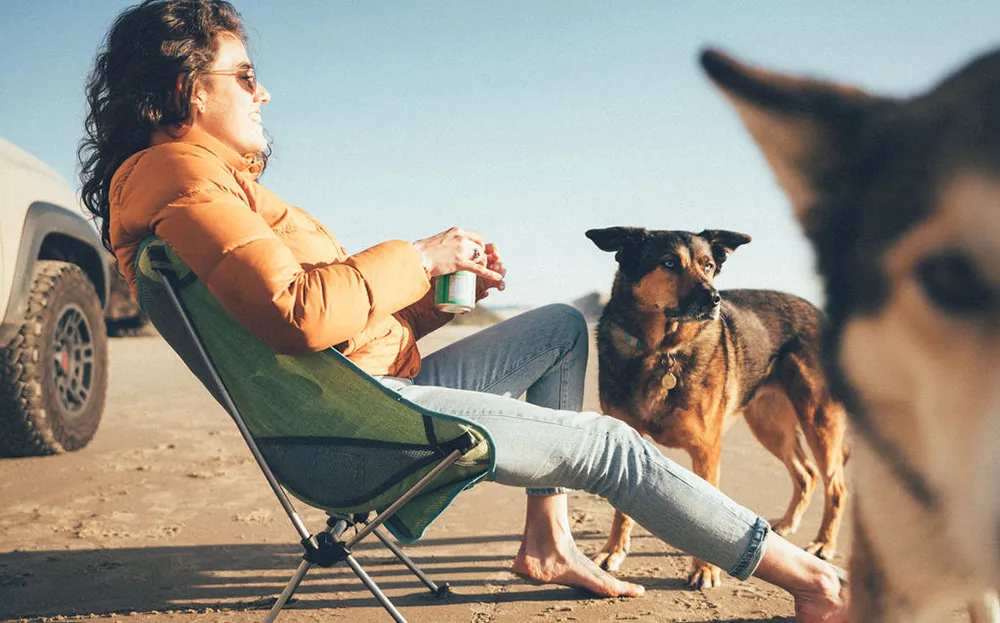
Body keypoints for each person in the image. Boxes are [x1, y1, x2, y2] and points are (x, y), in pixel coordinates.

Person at [79, 2, 848, 621]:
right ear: (186, 86)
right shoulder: (184, 180)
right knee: (609, 445)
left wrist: (437, 305)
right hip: (356, 429)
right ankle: (812, 579)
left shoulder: (200, 184)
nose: (263, 92)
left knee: (552, 327)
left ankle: (546, 539)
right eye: (245, 76)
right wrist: (422, 254)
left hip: (358, 394)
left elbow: (328, 331)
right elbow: (301, 312)